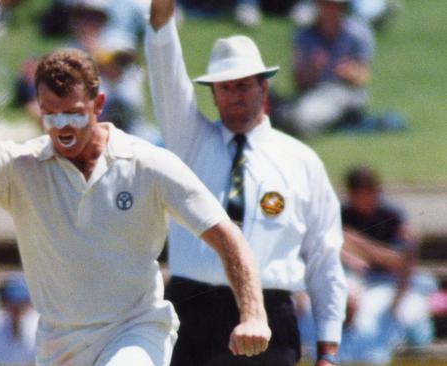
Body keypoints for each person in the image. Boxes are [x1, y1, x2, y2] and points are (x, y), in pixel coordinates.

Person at [0, 47, 271, 365]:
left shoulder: (148, 163)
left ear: (98, 104)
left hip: (135, 329)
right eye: (50, 114)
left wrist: (253, 313)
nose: (62, 127)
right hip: (58, 344)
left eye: (74, 114)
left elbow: (225, 235)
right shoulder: (19, 166)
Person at [144, 1, 347, 365]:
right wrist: (161, 14)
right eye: (224, 88)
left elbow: (324, 257)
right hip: (194, 310)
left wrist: (328, 350)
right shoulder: (189, 141)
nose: (234, 96)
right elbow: (164, 66)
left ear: (263, 88)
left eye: (242, 86)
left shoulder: (300, 161)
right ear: (213, 94)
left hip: (270, 308)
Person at [337, 166, 435, 364]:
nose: (363, 199)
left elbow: (400, 261)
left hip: (390, 282)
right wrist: (367, 253)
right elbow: (339, 253)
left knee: (407, 315)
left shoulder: (391, 214)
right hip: (358, 279)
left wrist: (357, 243)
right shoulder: (343, 213)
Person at [275, 0, 375, 137]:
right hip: (311, 92)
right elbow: (297, 82)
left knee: (302, 118)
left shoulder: (357, 33)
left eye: (334, 5)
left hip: (344, 91)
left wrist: (347, 72)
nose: (329, 8)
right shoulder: (304, 34)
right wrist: (312, 69)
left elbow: (362, 78)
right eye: (325, 4)